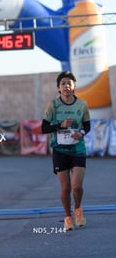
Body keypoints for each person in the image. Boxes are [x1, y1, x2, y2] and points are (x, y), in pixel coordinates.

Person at [41, 71, 90, 231]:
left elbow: (87, 125)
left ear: (74, 86)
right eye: (63, 83)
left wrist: (80, 133)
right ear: (58, 88)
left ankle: (78, 209)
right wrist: (59, 126)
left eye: (69, 83)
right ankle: (68, 217)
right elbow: (44, 128)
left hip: (78, 149)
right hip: (60, 150)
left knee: (76, 186)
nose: (66, 86)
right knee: (66, 188)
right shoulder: (53, 105)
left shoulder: (82, 104)